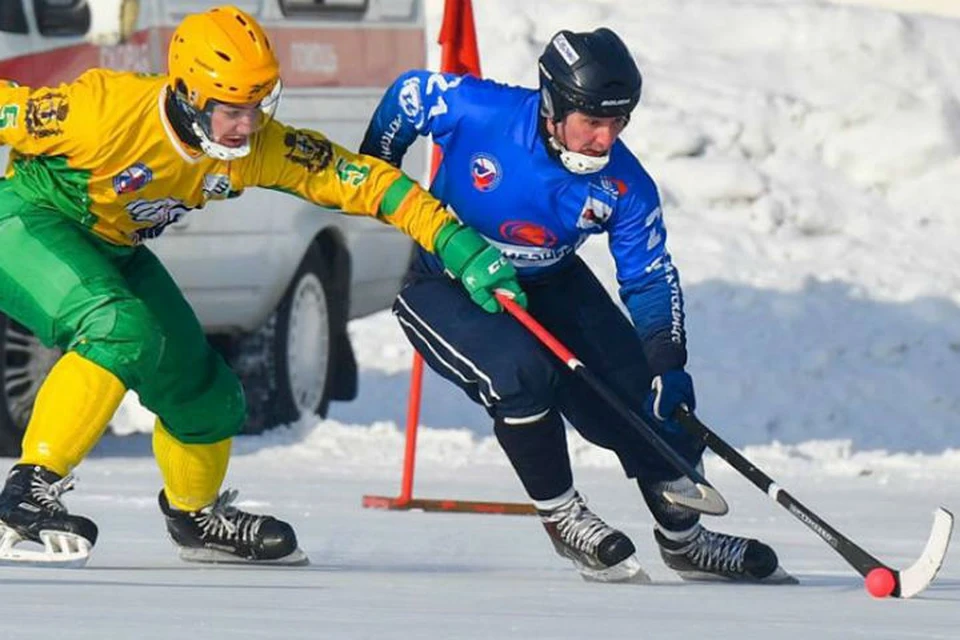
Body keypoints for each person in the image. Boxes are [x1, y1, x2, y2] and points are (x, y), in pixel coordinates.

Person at [0, 5, 523, 567]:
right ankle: (28, 491)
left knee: (206, 392)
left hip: (110, 244)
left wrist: (454, 241)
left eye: (259, 106)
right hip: (26, 222)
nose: (247, 126)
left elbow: (362, 181)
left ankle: (195, 517)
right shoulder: (102, 111)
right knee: (121, 329)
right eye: (231, 111)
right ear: (187, 95)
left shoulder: (256, 147)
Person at [360, 28, 795, 584]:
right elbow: (409, 94)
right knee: (521, 374)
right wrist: (377, 170)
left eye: (618, 122)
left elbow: (650, 275)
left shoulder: (626, 184)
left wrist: (668, 359)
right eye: (592, 121)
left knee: (647, 395)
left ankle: (686, 541)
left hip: (550, 280)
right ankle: (564, 516)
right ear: (553, 107)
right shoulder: (483, 110)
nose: (603, 138)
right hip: (443, 281)